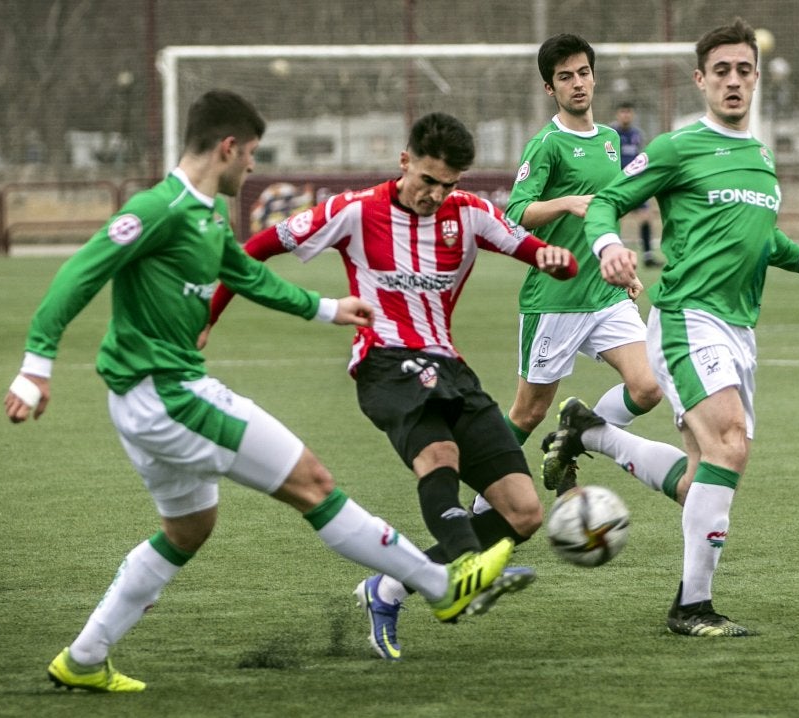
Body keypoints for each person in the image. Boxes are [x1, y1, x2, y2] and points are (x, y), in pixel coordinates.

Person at [4, 90, 511, 693]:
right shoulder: (158, 209)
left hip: (147, 400)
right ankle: (442, 588)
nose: (253, 169)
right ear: (227, 147)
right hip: (170, 396)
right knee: (314, 483)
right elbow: (78, 273)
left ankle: (84, 658)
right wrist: (35, 366)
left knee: (187, 529)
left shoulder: (208, 217)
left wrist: (328, 309)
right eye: (250, 156)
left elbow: (247, 275)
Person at [207, 111, 578, 661]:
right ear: (405, 162)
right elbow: (257, 248)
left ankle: (391, 586)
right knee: (440, 455)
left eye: (448, 184)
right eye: (427, 180)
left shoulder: (470, 215)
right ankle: (458, 581)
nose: (435, 194)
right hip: (385, 363)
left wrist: (557, 260)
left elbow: (550, 259)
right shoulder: (355, 211)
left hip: (451, 369)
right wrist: (208, 316)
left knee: (523, 512)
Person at [545, 18, 799, 637]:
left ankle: (589, 431)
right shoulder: (677, 148)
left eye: (744, 70)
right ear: (701, 80)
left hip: (738, 329)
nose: (734, 81)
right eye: (722, 71)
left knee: (699, 480)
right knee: (730, 447)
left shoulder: (761, 158)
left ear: (756, 78)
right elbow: (607, 200)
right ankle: (692, 608)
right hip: (689, 318)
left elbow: (761, 238)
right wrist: (608, 245)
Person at [501, 33, 662, 497]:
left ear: (594, 76)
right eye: (565, 77)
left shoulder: (612, 141)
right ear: (550, 88)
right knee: (527, 413)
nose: (577, 83)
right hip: (556, 298)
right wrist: (567, 203)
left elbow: (606, 211)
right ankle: (480, 506)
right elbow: (513, 215)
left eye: (583, 73)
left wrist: (622, 267)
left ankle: (571, 440)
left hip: (606, 294)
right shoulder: (546, 144)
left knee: (649, 385)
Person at [611, 101, 660, 268]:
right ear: (618, 114)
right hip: (618, 185)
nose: (626, 115)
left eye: (629, 112)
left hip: (636, 184)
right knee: (616, 220)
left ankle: (647, 257)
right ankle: (614, 256)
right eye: (623, 112)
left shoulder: (637, 134)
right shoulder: (612, 134)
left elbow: (642, 158)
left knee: (646, 217)